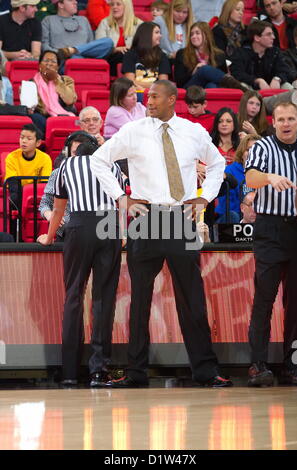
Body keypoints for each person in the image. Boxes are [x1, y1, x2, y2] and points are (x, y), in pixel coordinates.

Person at [90, 79, 233, 388]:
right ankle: (136, 373)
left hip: (181, 217)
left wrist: (204, 196)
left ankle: (206, 372)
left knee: (192, 299)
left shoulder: (193, 131)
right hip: (147, 217)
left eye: (154, 96)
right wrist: (122, 197)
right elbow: (98, 160)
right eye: (146, 96)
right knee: (139, 300)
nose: (148, 100)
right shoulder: (133, 130)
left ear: (172, 99)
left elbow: (218, 162)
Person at [37, 133, 124, 388]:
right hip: (108, 226)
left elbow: (59, 208)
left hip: (78, 226)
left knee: (73, 296)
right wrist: (123, 234)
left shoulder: (66, 165)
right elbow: (120, 202)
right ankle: (99, 371)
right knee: (103, 299)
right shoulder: (112, 165)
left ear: (77, 153)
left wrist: (50, 237)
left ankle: (70, 372)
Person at [245, 101, 297, 386]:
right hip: (270, 228)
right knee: (264, 298)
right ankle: (258, 363)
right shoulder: (263, 147)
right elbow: (250, 178)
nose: (286, 123)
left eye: (291, 118)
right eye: (281, 119)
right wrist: (270, 177)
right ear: (274, 122)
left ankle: (293, 364)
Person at [39, 131, 98, 240]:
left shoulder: (103, 173)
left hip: (98, 233)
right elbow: (44, 204)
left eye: (84, 154)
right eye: (75, 153)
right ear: (67, 154)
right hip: (65, 234)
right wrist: (49, 214)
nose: (80, 158)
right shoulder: (58, 173)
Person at [174, 21, 246, 90]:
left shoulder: (219, 55)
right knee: (204, 69)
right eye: (191, 34)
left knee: (211, 85)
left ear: (207, 35)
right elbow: (179, 82)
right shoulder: (182, 53)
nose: (193, 36)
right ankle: (239, 87)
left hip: (210, 87)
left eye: (197, 33)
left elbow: (221, 79)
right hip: (191, 89)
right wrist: (194, 72)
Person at [41, 0, 113, 61]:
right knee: (75, 58)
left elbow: (91, 44)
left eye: (75, 0)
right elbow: (45, 45)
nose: (75, 2)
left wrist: (73, 51)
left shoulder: (83, 20)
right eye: (71, 0)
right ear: (61, 5)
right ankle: (70, 52)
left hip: (85, 57)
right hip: (61, 59)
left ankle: (71, 50)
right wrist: (57, 53)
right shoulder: (48, 20)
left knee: (108, 42)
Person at [230, 20, 291, 90]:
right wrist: (257, 80)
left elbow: (285, 70)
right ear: (257, 38)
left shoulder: (275, 52)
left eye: (273, 34)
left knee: (287, 86)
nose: (273, 37)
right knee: (243, 86)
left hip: (271, 87)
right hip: (251, 89)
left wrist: (277, 79)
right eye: (269, 34)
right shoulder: (240, 53)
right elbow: (237, 73)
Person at [29, 49, 77, 138]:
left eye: (53, 62)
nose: (49, 64)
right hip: (43, 116)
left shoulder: (67, 80)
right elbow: (30, 107)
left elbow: (69, 100)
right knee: (36, 118)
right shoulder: (31, 83)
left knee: (79, 120)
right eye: (46, 61)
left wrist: (57, 80)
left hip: (64, 114)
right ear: (39, 65)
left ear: (58, 67)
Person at [5, 123, 52, 207]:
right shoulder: (11, 157)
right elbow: (13, 185)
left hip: (37, 196)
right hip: (17, 195)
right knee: (14, 198)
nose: (24, 141)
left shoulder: (45, 158)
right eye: (22, 137)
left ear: (38, 143)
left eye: (29, 138)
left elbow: (45, 185)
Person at [215, 133, 259, 221]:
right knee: (233, 216)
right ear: (242, 153)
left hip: (257, 217)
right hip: (232, 218)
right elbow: (226, 205)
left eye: (256, 150)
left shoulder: (267, 173)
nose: (252, 153)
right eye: (248, 149)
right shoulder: (229, 171)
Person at [95, 0, 143, 76]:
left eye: (118, 4)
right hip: (111, 58)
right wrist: (115, 49)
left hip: (132, 57)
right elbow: (99, 48)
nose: (114, 7)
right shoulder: (104, 23)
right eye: (112, 5)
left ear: (126, 7)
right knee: (122, 55)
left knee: (128, 55)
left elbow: (143, 47)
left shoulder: (139, 24)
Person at [122, 21, 171, 89]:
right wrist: (154, 86)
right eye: (157, 32)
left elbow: (163, 83)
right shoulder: (130, 55)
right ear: (146, 35)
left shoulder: (162, 55)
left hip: (156, 94)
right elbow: (130, 82)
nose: (160, 35)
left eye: (160, 33)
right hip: (136, 93)